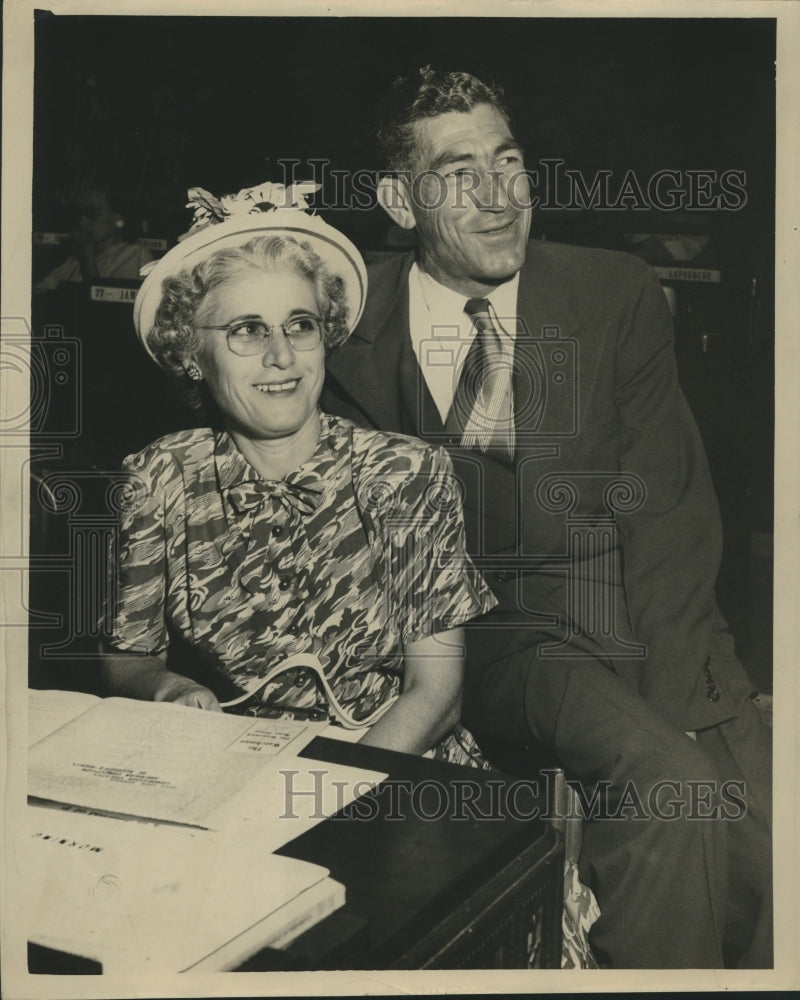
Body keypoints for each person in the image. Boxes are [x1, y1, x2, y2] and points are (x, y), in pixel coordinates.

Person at [320, 67, 772, 968]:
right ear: (396, 201)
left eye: (511, 161)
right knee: (667, 794)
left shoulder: (611, 292)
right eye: (458, 173)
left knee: (763, 856)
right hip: (474, 638)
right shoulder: (338, 313)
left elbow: (671, 511)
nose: (498, 198)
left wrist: (680, 701)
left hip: (628, 613)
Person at [100, 179, 496, 765]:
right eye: (247, 329)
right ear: (190, 354)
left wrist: (325, 791)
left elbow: (436, 697)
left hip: (399, 770)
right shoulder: (159, 479)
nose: (281, 355)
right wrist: (167, 687)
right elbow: (125, 656)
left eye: (300, 324)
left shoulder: (405, 474)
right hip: (239, 767)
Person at [34, 187, 152, 292]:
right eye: (80, 214)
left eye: (92, 213)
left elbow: (111, 305)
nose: (82, 222)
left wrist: (89, 263)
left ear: (119, 218)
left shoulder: (135, 254)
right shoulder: (75, 260)